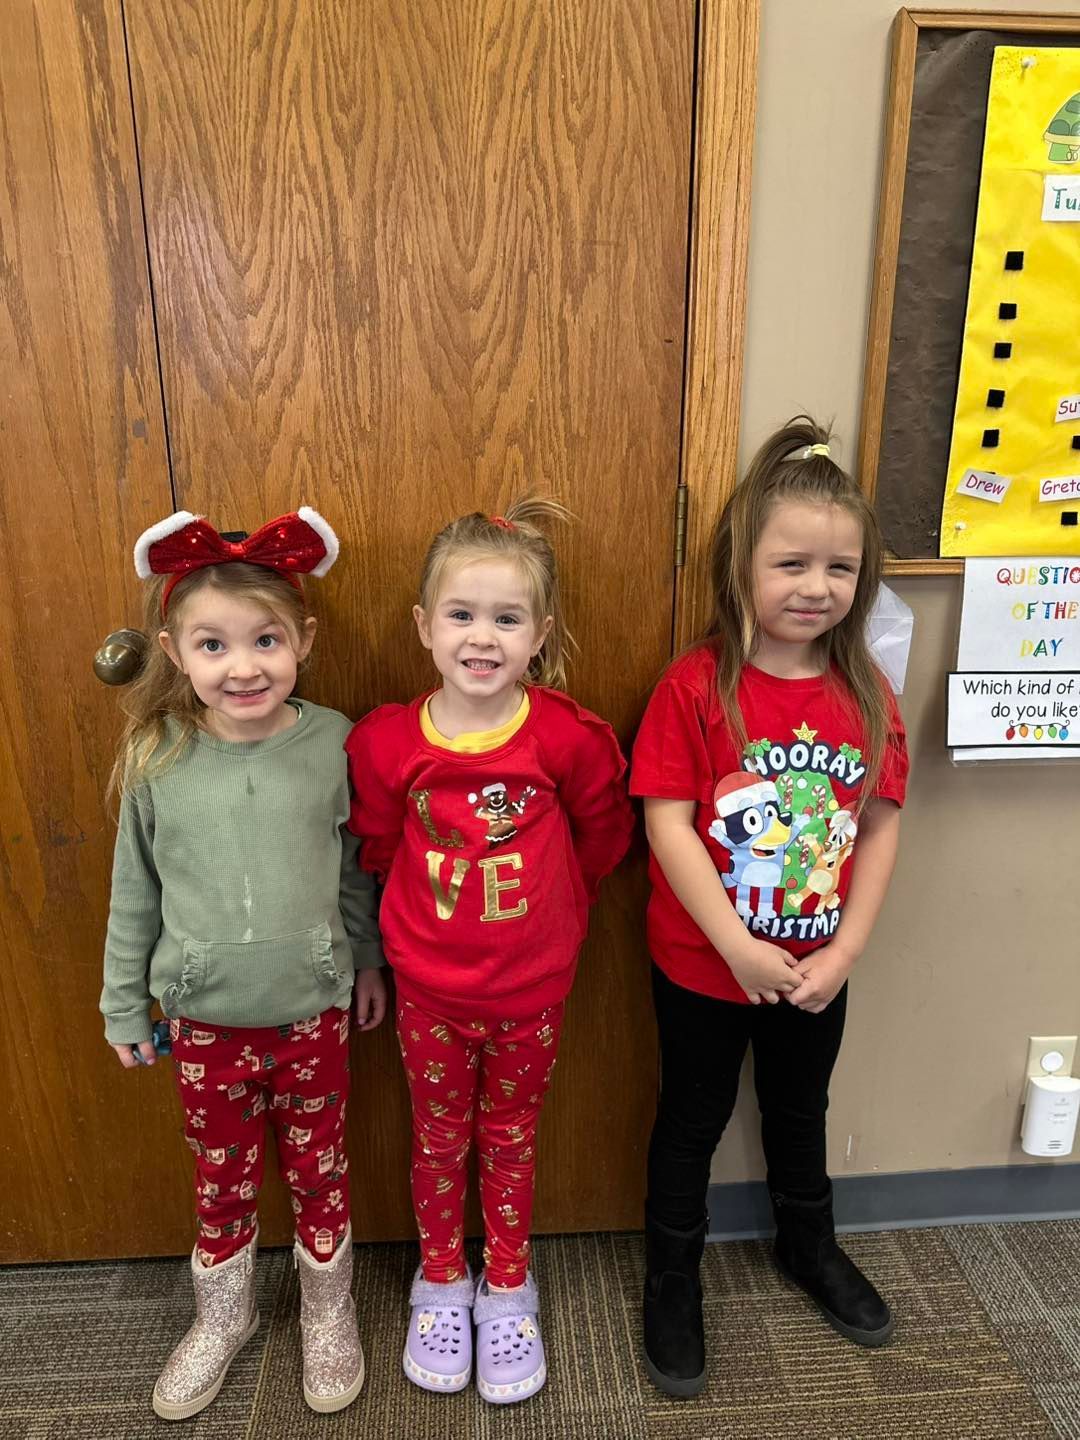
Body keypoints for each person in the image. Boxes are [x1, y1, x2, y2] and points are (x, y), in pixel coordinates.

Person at [631, 418, 909, 1396]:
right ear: (738, 563)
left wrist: (847, 952)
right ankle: (672, 1274)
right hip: (706, 967)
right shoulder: (694, 687)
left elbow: (877, 826)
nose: (816, 586)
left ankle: (808, 1245)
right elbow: (666, 824)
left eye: (840, 567)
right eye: (792, 561)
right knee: (692, 1119)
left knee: (801, 1111)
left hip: (816, 967)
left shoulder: (865, 693)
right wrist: (737, 946)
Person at [99, 507, 386, 1420]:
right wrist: (120, 1007)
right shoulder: (157, 757)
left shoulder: (336, 743)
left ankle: (326, 1308)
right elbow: (133, 896)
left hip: (313, 1011)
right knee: (219, 1176)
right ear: (175, 653)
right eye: (214, 645)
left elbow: (354, 872)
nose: (244, 665)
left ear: (302, 637)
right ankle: (222, 1317)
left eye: (265, 639)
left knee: (321, 1170)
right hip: (202, 1021)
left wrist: (369, 964)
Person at [346, 499, 633, 1404]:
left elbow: (601, 836)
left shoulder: (567, 738)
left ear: (540, 633)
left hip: (532, 990)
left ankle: (506, 1281)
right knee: (438, 1141)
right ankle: (441, 1276)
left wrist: (556, 915)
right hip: (428, 990)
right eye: (462, 616)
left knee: (510, 1138)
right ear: (424, 627)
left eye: (507, 619)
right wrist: (399, 948)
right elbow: (379, 847)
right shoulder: (387, 742)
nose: (483, 638)